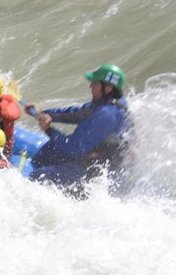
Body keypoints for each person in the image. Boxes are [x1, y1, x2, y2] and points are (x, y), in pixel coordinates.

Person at [26, 63, 131, 191]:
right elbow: (75, 113)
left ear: (108, 88)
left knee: (38, 176)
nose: (90, 86)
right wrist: (42, 114)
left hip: (93, 172)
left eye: (95, 83)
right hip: (87, 157)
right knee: (49, 149)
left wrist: (48, 130)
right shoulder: (107, 104)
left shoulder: (107, 115)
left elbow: (73, 148)